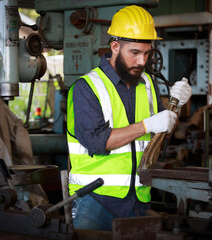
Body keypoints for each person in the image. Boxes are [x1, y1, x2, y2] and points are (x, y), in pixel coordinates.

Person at [66, 5, 192, 231]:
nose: (142, 61)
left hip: (138, 200)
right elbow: (99, 142)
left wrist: (176, 108)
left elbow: (160, 133)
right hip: (95, 201)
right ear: (115, 46)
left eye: (146, 53)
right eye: (135, 53)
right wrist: (147, 124)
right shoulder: (86, 88)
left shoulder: (147, 84)